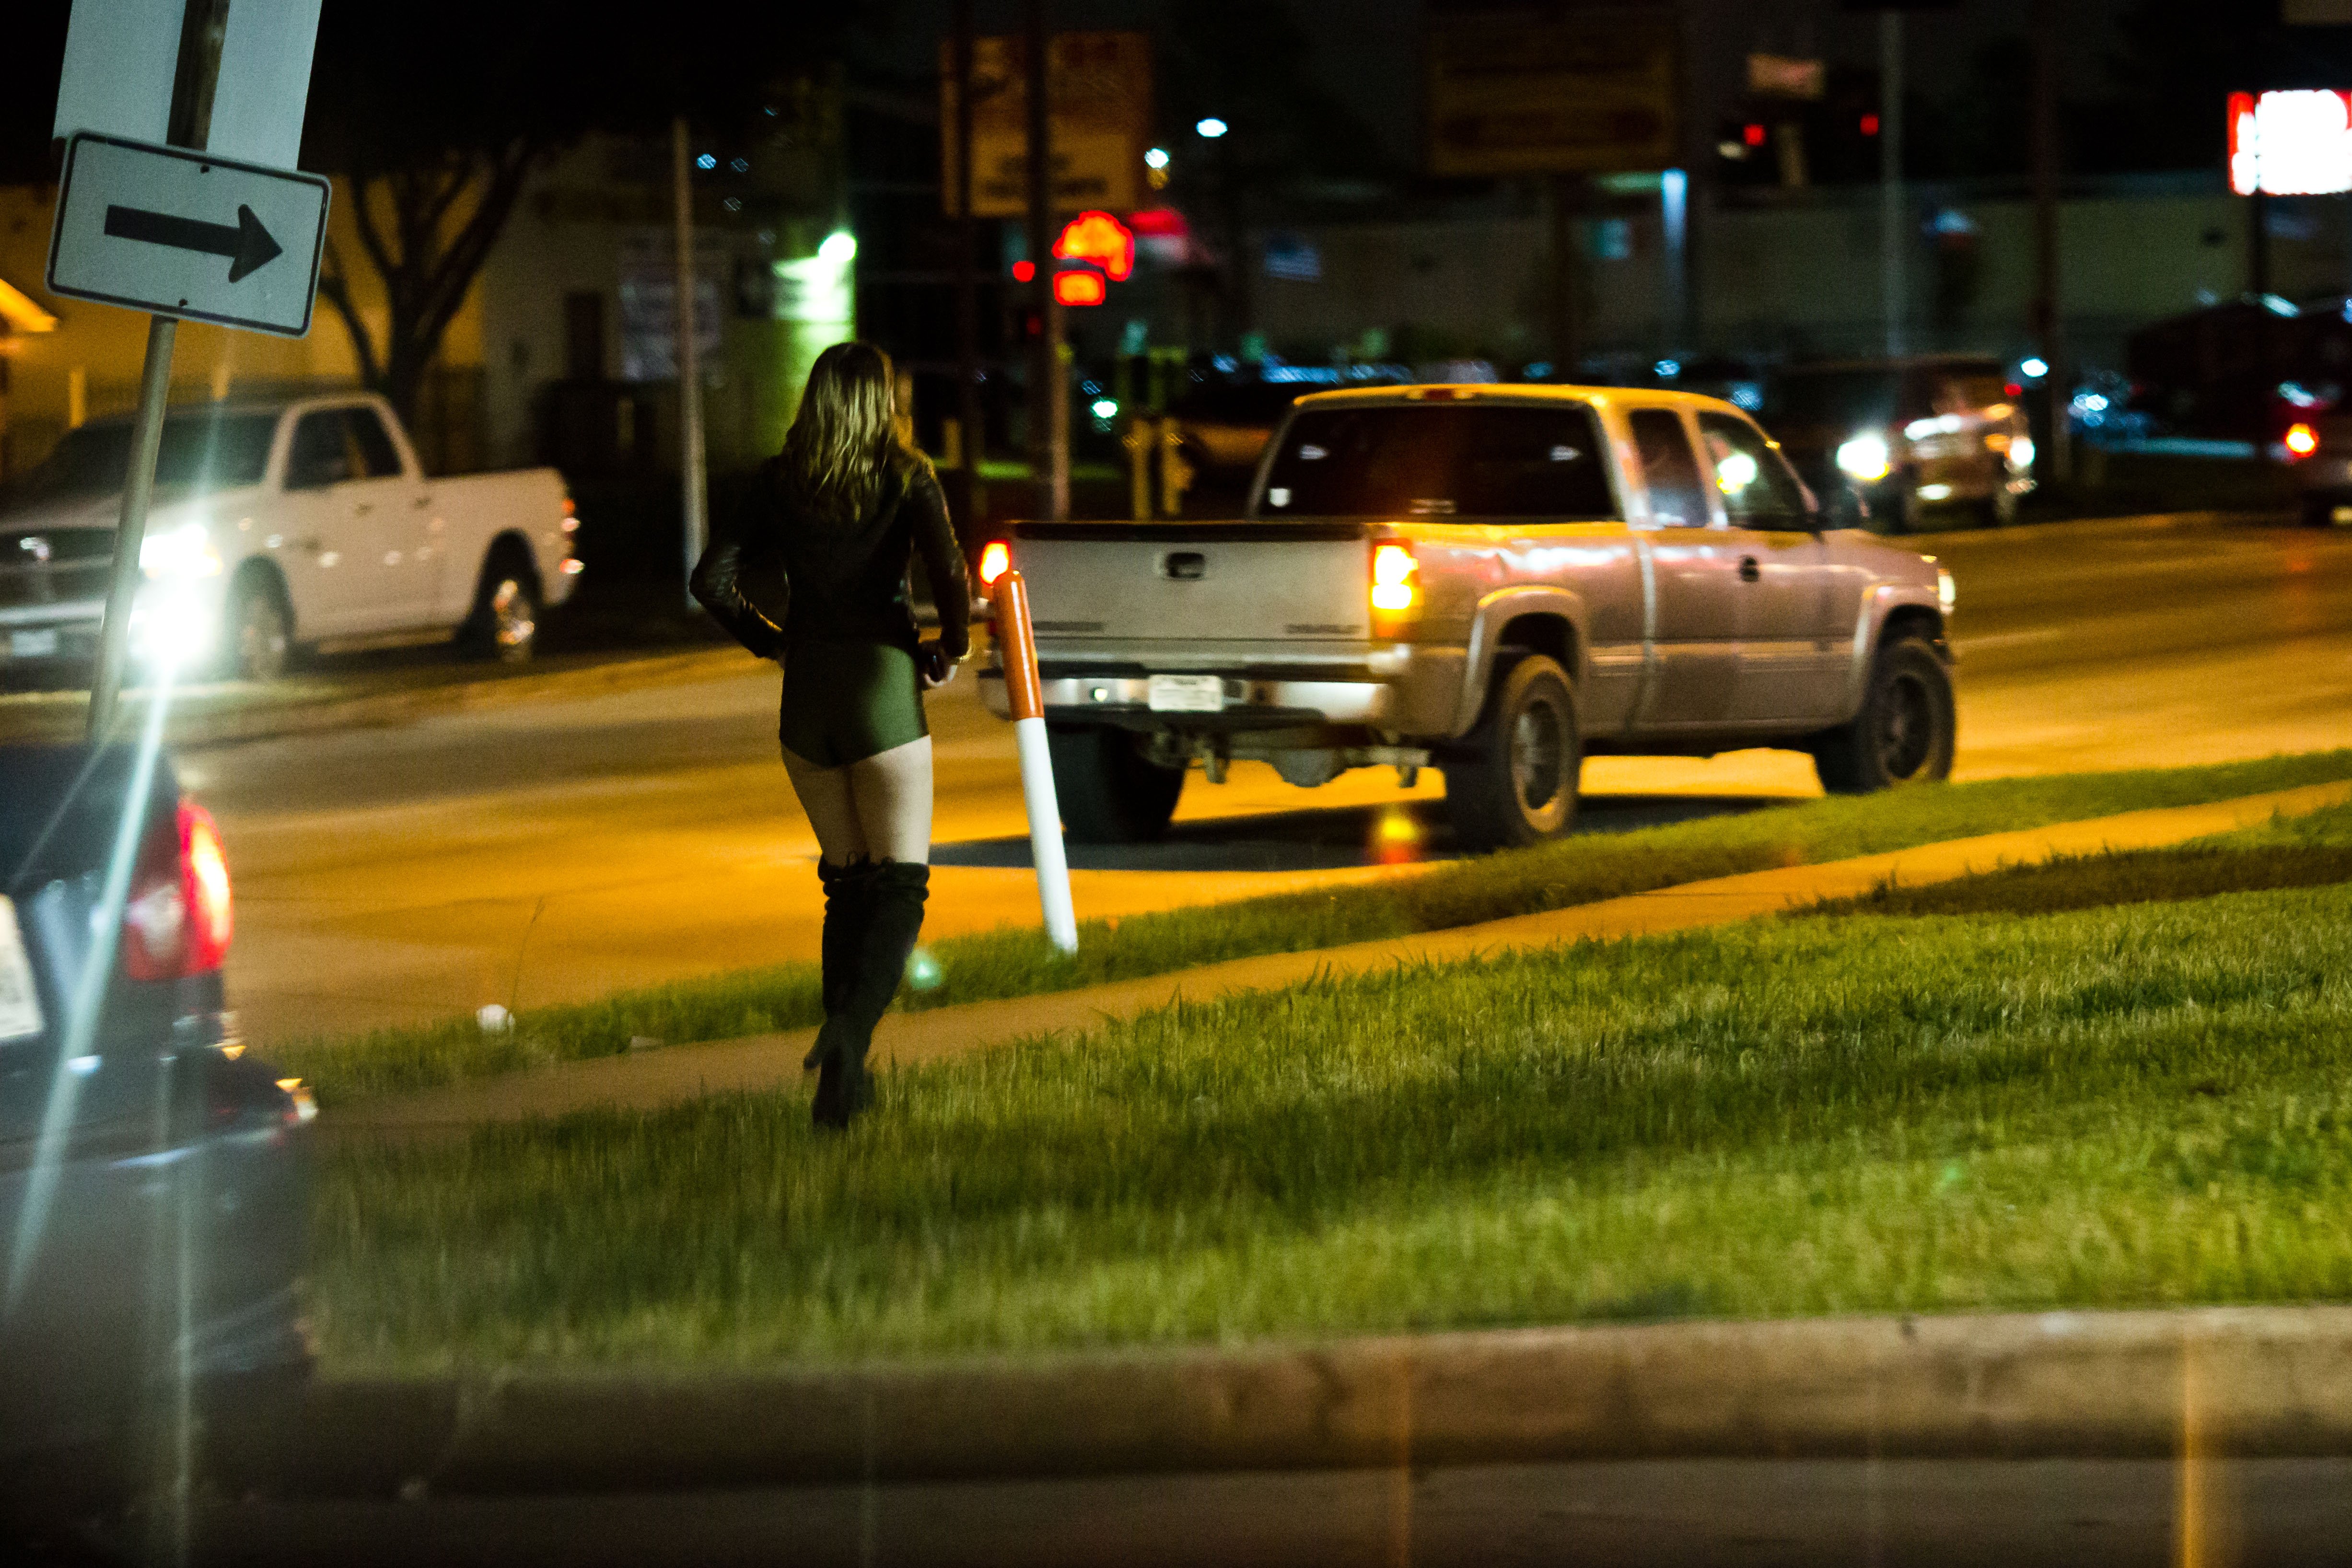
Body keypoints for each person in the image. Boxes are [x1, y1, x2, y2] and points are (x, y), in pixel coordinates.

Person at [691, 341, 970, 1128]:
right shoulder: (906, 473)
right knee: (900, 886)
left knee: (844, 885)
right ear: (882, 401)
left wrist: (774, 641)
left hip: (806, 696)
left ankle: (839, 1089)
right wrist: (947, 649)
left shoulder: (780, 479)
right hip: (881, 684)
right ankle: (848, 1034)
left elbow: (710, 579)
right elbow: (949, 572)